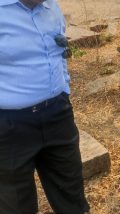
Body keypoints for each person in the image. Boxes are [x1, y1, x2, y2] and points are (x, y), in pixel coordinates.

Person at [0, 0, 90, 213]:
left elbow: (60, 51)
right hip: (10, 126)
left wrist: (64, 88)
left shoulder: (51, 7)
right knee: (15, 203)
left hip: (58, 115)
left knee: (72, 193)